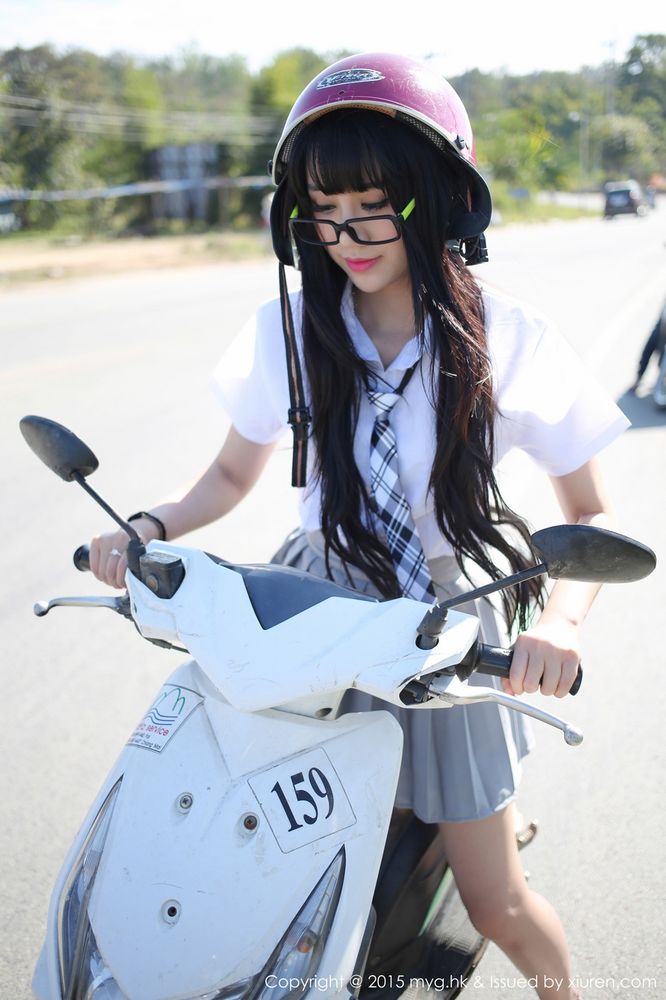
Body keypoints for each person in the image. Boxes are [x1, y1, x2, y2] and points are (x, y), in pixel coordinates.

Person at [90, 54, 629, 999]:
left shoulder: (507, 336)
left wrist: (561, 624)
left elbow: (590, 513)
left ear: (442, 201)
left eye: (373, 205)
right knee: (265, 868)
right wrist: (147, 525)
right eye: (323, 210)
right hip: (316, 608)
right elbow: (230, 473)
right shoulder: (290, 330)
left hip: (449, 615)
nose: (345, 236)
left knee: (495, 901)